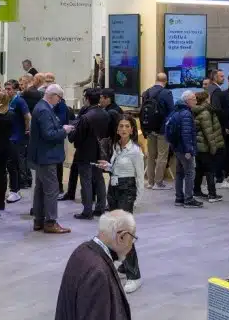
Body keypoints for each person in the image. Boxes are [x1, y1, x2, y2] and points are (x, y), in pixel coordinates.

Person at [54, 210, 135, 320]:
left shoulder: (82, 250)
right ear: (122, 237)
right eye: (132, 240)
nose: (131, 246)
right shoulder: (98, 273)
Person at [97, 116, 144, 294]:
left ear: (132, 130)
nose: (123, 129)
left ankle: (135, 276)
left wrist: (137, 199)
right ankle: (125, 265)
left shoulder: (135, 151)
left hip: (127, 190)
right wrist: (109, 166)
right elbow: (118, 168)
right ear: (117, 130)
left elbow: (140, 177)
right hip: (114, 189)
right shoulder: (117, 147)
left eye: (127, 126)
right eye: (121, 126)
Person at [30, 84, 75, 233]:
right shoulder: (44, 110)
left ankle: (39, 220)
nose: (60, 101)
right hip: (47, 156)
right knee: (51, 190)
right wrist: (64, 130)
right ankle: (50, 222)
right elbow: (49, 135)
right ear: (54, 96)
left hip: (43, 155)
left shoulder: (42, 107)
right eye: (60, 98)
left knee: (41, 189)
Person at [73, 89, 110, 220]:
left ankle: (87, 210)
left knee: (86, 182)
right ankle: (100, 207)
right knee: (99, 179)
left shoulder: (85, 117)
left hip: (85, 152)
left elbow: (77, 136)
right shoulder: (105, 114)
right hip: (100, 152)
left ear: (87, 99)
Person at [167, 90, 202, 208]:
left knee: (179, 173)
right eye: (194, 99)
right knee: (190, 172)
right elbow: (186, 134)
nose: (196, 101)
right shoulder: (186, 113)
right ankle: (189, 199)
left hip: (177, 148)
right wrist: (189, 150)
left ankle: (179, 198)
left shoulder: (176, 110)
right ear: (187, 100)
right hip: (184, 149)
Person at [141, 73, 174, 190]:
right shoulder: (167, 93)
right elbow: (171, 111)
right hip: (162, 129)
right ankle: (158, 183)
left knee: (150, 156)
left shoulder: (146, 92)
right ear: (166, 81)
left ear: (156, 79)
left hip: (149, 129)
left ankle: (150, 182)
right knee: (162, 156)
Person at [192, 91, 224, 203]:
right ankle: (212, 194)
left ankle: (196, 191)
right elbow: (209, 132)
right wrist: (213, 147)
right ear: (205, 99)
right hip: (205, 146)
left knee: (200, 169)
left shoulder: (197, 110)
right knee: (210, 170)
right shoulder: (206, 113)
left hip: (198, 145)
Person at [5, 78, 31, 196]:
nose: (7, 91)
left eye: (9, 89)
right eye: (5, 89)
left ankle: (21, 184)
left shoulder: (20, 101)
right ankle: (16, 185)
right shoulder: (7, 101)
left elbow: (28, 116)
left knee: (18, 162)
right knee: (12, 163)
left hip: (19, 137)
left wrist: (27, 129)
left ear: (15, 90)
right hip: (10, 136)